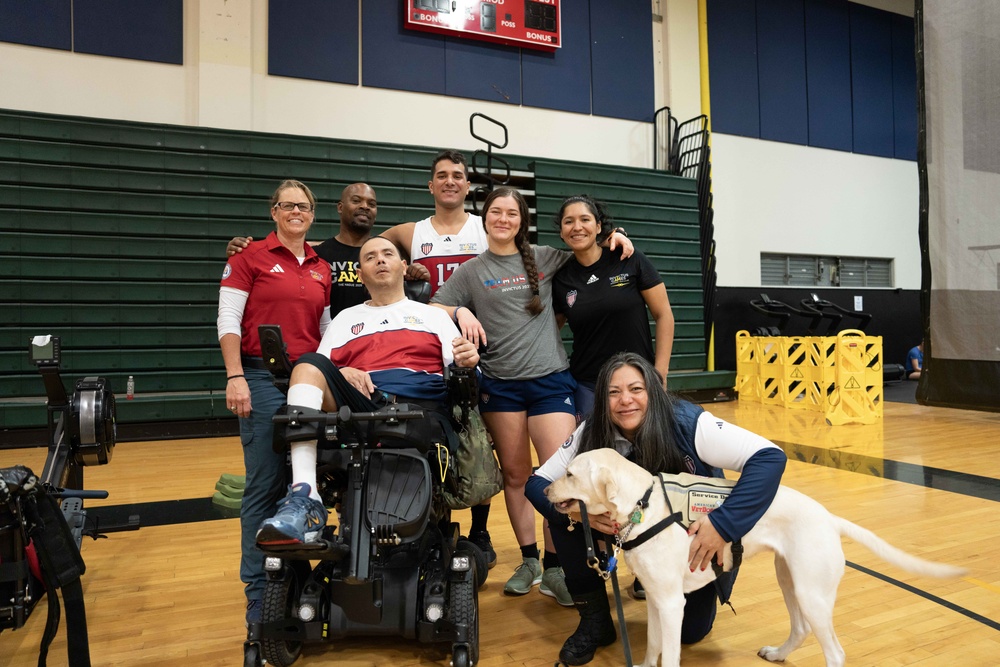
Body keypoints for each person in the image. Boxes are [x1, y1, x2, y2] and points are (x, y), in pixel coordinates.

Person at [430, 187, 633, 607]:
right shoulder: (470, 271)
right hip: (500, 386)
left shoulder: (545, 257)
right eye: (495, 212)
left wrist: (619, 236)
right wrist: (460, 311)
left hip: (550, 383)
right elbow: (433, 307)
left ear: (522, 221)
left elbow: (587, 248)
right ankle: (529, 561)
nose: (503, 219)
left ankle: (556, 567)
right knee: (517, 476)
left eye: (511, 213)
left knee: (558, 475)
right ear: (484, 218)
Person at [524, 352, 787, 665]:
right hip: (627, 531)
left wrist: (723, 525)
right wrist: (579, 515)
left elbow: (770, 458)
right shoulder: (592, 432)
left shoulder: (689, 423)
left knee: (691, 631)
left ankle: (648, 579)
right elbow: (537, 484)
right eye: (613, 392)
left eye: (636, 389)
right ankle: (594, 620)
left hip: (696, 539)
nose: (625, 400)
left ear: (653, 390)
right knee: (563, 509)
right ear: (601, 400)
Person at [255, 236, 480, 544]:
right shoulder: (344, 320)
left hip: (417, 409)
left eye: (388, 254)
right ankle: (306, 497)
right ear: (360, 274)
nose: (380, 260)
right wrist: (343, 371)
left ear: (404, 267)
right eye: (371, 257)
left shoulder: (434, 317)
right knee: (307, 365)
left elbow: (469, 379)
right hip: (359, 406)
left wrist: (470, 360)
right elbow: (320, 371)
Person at [217, 179, 332, 626]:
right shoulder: (248, 258)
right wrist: (235, 377)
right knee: (265, 484)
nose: (295, 212)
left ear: (312, 213)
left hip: (309, 379)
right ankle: (259, 593)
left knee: (304, 484)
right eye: (287, 206)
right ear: (274, 212)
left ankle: (298, 578)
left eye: (303, 206)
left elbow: (324, 330)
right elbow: (228, 319)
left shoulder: (321, 267)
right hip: (261, 377)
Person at [551, 194, 674, 419]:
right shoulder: (561, 278)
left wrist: (660, 372)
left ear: (598, 227)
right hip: (589, 384)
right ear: (561, 231)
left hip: (638, 379)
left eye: (585, 220)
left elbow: (663, 314)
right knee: (596, 451)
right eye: (568, 221)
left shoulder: (628, 258)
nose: (577, 227)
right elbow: (549, 331)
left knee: (646, 449)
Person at [227, 183, 380, 313]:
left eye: (371, 204)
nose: (364, 207)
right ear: (340, 207)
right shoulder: (317, 256)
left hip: (375, 344)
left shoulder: (385, 257)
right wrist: (246, 249)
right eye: (356, 200)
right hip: (330, 344)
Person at [380, 150, 489, 293]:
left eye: (457, 176)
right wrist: (402, 272)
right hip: (426, 314)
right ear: (431, 186)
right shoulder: (409, 232)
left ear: (467, 187)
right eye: (442, 176)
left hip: (476, 316)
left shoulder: (486, 228)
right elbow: (364, 250)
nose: (450, 182)